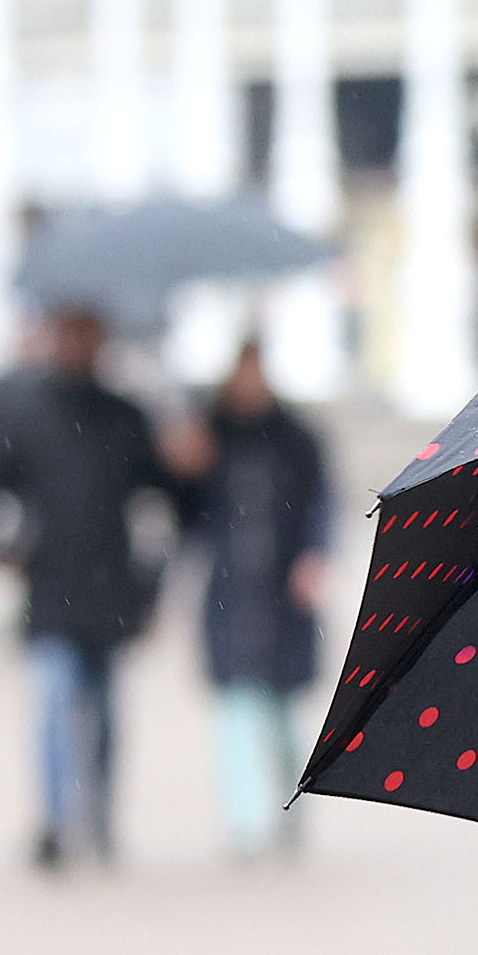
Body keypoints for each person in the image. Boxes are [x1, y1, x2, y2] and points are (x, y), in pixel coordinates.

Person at [0, 303, 189, 870]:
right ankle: (56, 822)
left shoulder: (127, 416)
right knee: (56, 699)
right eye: (71, 332)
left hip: (112, 589)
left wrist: (189, 466)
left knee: (106, 713)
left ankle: (101, 816)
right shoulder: (24, 411)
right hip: (50, 586)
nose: (80, 344)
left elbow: (167, 502)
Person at [170, 340, 333, 860]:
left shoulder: (298, 438)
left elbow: (319, 503)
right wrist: (184, 469)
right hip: (230, 591)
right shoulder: (209, 436)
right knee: (237, 710)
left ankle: (289, 808)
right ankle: (244, 822)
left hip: (283, 591)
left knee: (284, 715)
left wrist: (315, 554)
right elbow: (187, 517)